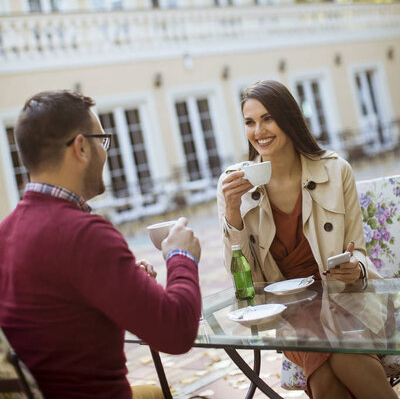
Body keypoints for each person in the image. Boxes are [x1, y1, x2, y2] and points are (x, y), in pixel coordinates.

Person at [0, 90, 202, 399]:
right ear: (81, 147)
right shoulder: (84, 234)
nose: (105, 152)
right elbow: (177, 333)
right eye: (102, 140)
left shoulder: (6, 233)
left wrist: (121, 280)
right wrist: (180, 255)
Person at [217, 79, 395, 399]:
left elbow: (360, 252)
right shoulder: (234, 186)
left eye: (268, 118)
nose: (259, 130)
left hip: (342, 298)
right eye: (249, 122)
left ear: (289, 119)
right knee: (330, 363)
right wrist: (232, 213)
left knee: (335, 365)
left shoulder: (335, 170)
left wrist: (356, 269)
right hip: (287, 312)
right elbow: (241, 280)